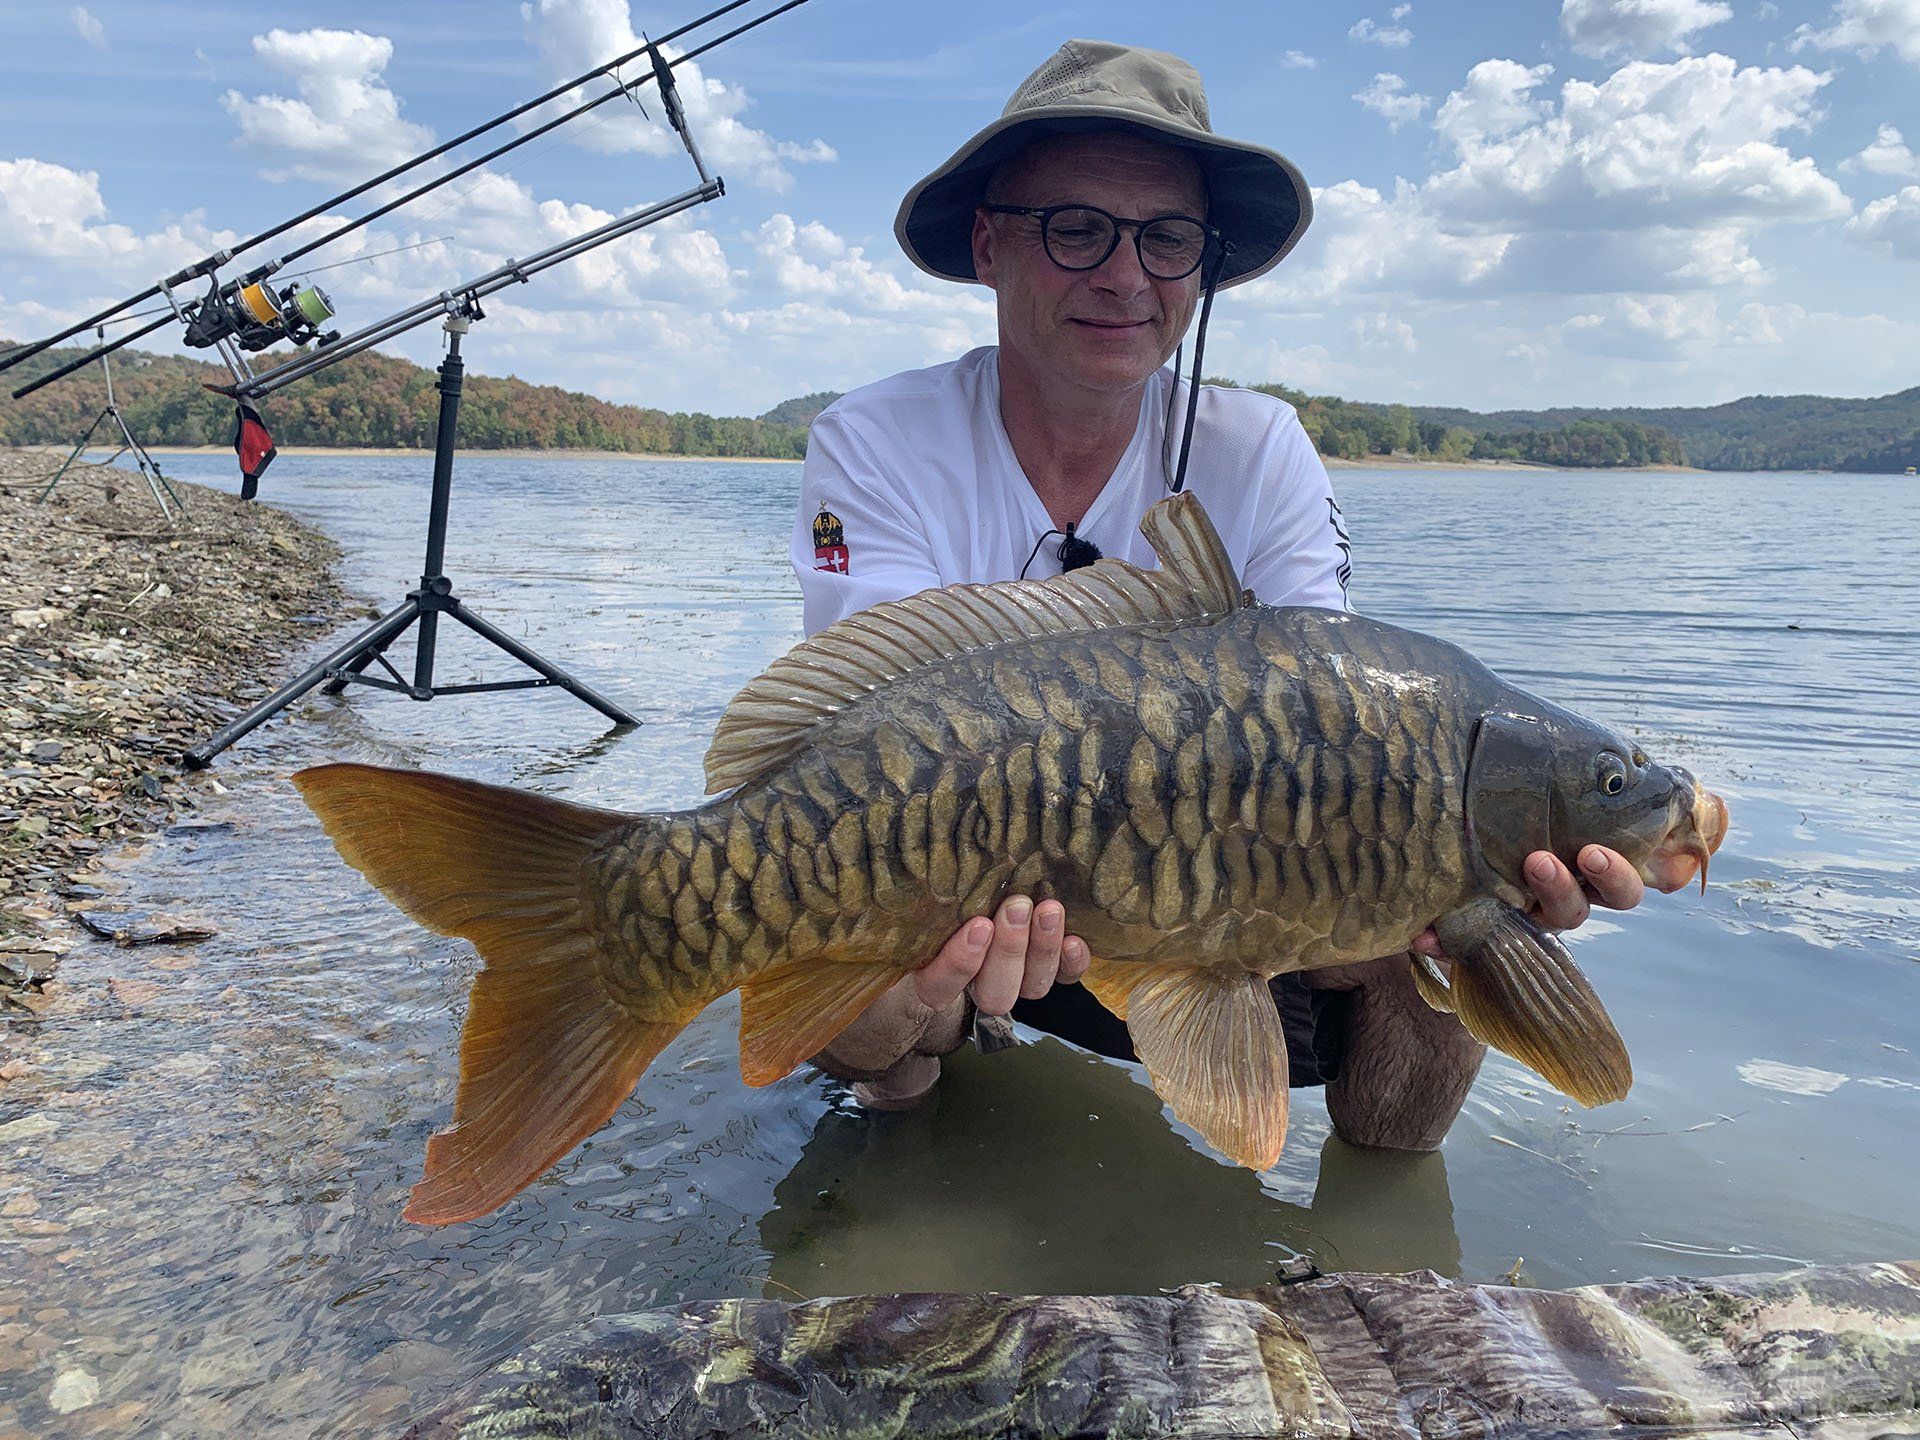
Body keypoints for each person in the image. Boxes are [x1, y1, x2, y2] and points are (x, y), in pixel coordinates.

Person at [785, 40, 1645, 1149]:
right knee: (864, 979)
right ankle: (900, 1167)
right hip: (971, 898)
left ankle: (1380, 1261)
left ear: (1203, 267)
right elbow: (861, 739)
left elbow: (1342, 744)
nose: (1126, 276)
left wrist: (1459, 886)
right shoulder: (875, 438)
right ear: (989, 245)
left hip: (1220, 893)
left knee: (1432, 917)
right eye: (1077, 228)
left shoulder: (1262, 445)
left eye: (1167, 238)